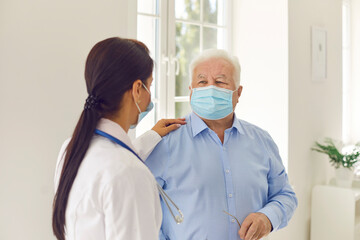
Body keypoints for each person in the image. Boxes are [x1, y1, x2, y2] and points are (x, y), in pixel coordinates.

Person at [145, 49, 298, 240]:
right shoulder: (166, 143)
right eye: (202, 82)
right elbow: (142, 211)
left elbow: (285, 194)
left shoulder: (261, 141)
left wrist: (267, 218)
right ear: (191, 91)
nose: (210, 88)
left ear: (238, 92)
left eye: (220, 82)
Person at [52, 37, 186, 240]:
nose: (150, 96)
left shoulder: (70, 149)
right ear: (137, 89)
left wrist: (151, 136)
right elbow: (120, 170)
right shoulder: (130, 172)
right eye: (150, 85)